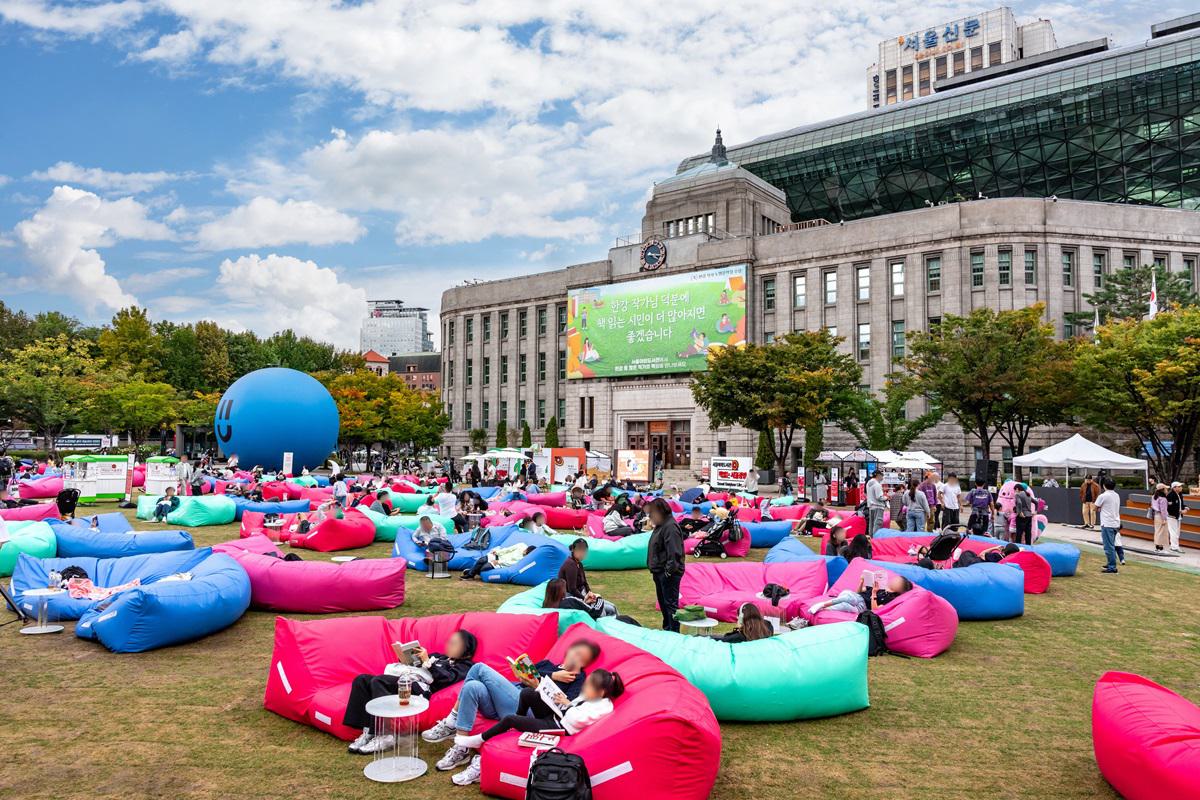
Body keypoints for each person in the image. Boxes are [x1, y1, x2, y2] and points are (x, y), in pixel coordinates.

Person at [423, 640, 602, 781]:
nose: (576, 659)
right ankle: (461, 749)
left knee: (478, 669)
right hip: (509, 697)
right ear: (569, 650)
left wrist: (540, 684)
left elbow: (561, 708)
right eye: (576, 653)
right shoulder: (549, 665)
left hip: (527, 708)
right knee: (473, 687)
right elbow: (530, 674)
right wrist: (551, 675)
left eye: (582, 659)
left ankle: (451, 721)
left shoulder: (578, 679)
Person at [449, 668, 625, 784]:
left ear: (601, 692)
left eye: (589, 685)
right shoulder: (592, 697)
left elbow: (575, 720)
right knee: (528, 693)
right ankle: (518, 721)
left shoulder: (603, 706)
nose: (585, 686)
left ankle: (478, 740)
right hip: (558, 715)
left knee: (510, 719)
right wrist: (558, 700)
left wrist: (567, 704)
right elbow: (570, 709)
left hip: (558, 728)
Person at [344, 630, 477, 755]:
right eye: (449, 641)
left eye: (454, 643)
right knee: (361, 680)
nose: (448, 645)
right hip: (408, 678)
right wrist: (406, 658)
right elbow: (417, 667)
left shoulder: (466, 666)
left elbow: (447, 679)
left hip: (420, 688)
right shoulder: (438, 656)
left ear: (467, 651)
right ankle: (368, 731)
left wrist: (427, 661)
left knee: (379, 681)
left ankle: (386, 735)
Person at [645, 497, 685, 632]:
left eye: (652, 514)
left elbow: (674, 552)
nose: (650, 517)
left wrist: (668, 571)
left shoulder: (670, 527)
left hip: (668, 573)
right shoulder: (662, 526)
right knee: (664, 604)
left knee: (670, 605)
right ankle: (668, 629)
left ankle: (673, 632)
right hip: (660, 572)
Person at [557, 539, 617, 617]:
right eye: (580, 550)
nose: (583, 553)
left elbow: (585, 583)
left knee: (613, 606)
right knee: (608, 610)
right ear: (573, 550)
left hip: (583, 594)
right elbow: (572, 589)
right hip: (574, 598)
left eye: (584, 550)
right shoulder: (570, 565)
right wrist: (585, 598)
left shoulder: (579, 564)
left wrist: (590, 593)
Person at [809, 572, 913, 615]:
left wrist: (874, 593)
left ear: (899, 589)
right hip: (857, 597)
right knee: (847, 593)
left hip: (862, 607)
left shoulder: (890, 599)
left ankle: (824, 608)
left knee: (846, 604)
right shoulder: (881, 585)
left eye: (897, 581)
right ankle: (823, 605)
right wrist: (861, 582)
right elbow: (858, 592)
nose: (893, 580)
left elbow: (875, 610)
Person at [460, 544, 536, 580]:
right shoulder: (521, 545)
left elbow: (511, 563)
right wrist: (498, 552)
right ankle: (470, 575)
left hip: (501, 563)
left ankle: (471, 571)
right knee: (481, 560)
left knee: (485, 567)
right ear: (526, 548)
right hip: (498, 556)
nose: (524, 552)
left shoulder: (524, 558)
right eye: (525, 551)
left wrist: (499, 562)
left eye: (525, 553)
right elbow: (508, 549)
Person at [1095, 476, 1123, 574]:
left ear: (1104, 485)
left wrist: (1100, 508)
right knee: (1112, 544)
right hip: (1115, 522)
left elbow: (1095, 507)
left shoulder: (1103, 495)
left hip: (1107, 523)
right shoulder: (1116, 495)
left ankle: (1112, 566)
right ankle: (1110, 562)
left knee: (1108, 546)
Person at [709, 602, 774, 643]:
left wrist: (739, 627)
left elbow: (723, 639)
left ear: (741, 618)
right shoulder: (768, 626)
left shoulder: (739, 637)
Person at [1150, 483, 1170, 553]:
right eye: (1166, 488)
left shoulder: (1154, 497)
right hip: (1161, 516)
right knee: (1162, 532)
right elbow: (1163, 510)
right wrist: (1164, 519)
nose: (1167, 490)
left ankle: (1157, 548)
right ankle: (1161, 549)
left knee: (1157, 531)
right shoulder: (1163, 498)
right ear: (1163, 490)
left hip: (1156, 516)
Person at [1166, 481, 1184, 553]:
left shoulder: (1180, 494)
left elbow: (1181, 505)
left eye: (1180, 486)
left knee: (1177, 532)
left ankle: (1175, 546)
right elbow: (1169, 507)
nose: (1181, 488)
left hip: (1178, 516)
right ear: (1174, 488)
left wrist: (1185, 508)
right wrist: (1180, 511)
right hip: (1171, 516)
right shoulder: (1170, 495)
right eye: (1179, 486)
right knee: (1173, 532)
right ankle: (1174, 547)